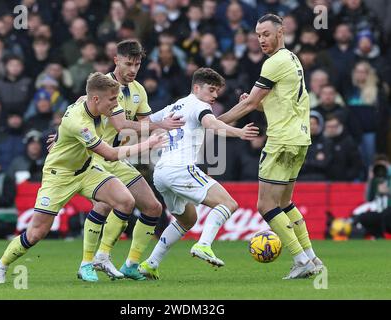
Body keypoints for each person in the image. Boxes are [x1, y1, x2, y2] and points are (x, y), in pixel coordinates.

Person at [0, 72, 166, 284]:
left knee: (125, 201)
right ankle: (1, 265)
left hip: (87, 169)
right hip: (59, 176)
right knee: (37, 232)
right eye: (112, 100)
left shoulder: (96, 103)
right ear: (96, 99)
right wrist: (147, 144)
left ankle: (93, 261)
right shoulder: (79, 123)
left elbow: (99, 114)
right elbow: (109, 154)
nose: (115, 103)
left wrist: (61, 135)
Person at [216, 14, 323, 279]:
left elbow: (249, 105)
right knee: (285, 202)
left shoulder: (273, 63)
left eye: (265, 33)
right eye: (258, 34)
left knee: (265, 205)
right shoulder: (292, 59)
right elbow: (284, 101)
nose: (260, 39)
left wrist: (213, 122)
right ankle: (311, 257)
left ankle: (300, 259)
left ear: (281, 32)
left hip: (280, 140)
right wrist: (257, 101)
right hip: (299, 139)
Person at [138, 67, 259, 279]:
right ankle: (203, 244)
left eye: (216, 92)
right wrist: (239, 132)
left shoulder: (173, 107)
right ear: (196, 87)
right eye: (211, 90)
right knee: (229, 204)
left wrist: (242, 106)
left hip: (161, 174)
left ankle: (150, 263)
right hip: (181, 169)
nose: (214, 96)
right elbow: (212, 123)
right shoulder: (200, 105)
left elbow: (144, 123)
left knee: (187, 220)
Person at [80, 40, 185, 281]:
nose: (133, 69)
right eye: (128, 63)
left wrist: (169, 134)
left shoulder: (138, 90)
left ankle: (130, 264)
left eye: (137, 64)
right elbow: (119, 124)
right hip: (96, 157)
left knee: (153, 208)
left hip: (119, 158)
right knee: (106, 205)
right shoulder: (104, 86)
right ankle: (90, 261)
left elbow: (145, 126)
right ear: (116, 60)